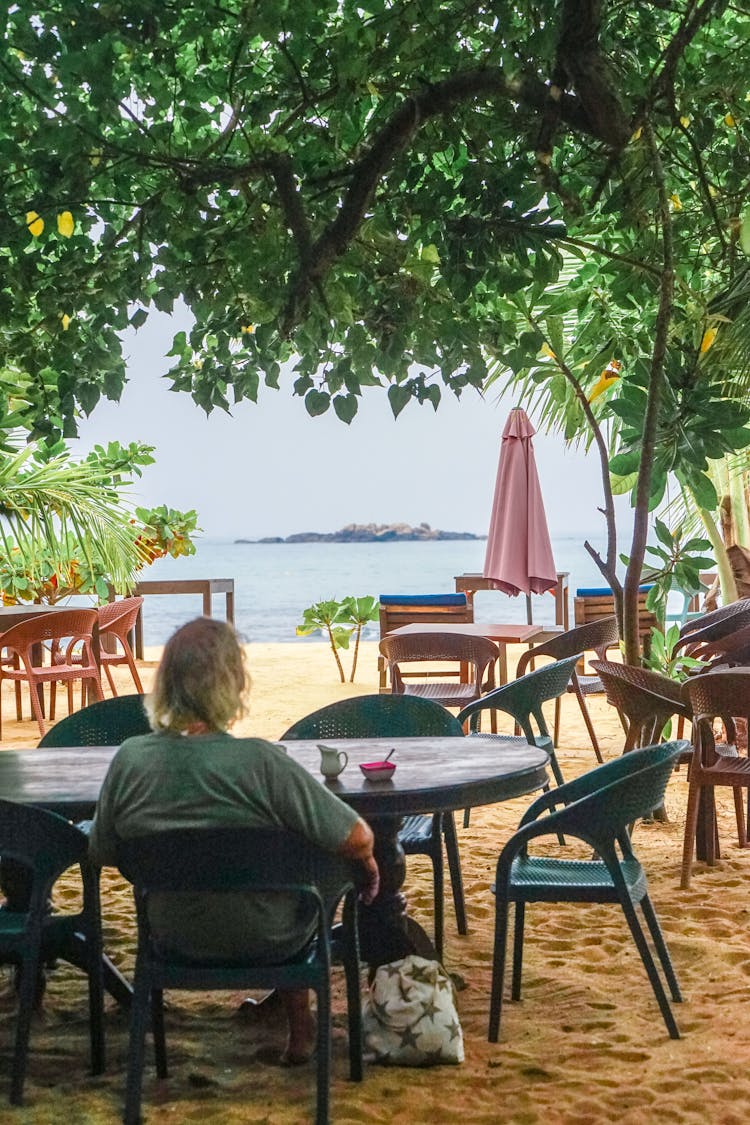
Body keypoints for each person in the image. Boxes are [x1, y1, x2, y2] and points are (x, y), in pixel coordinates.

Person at [89, 617, 379, 1065]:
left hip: (173, 937)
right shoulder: (261, 762)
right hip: (273, 937)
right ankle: (300, 1028)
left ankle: (296, 1029)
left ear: (163, 683)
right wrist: (367, 865)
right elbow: (357, 837)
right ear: (235, 683)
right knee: (314, 862)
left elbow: (104, 852)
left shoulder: (130, 760)